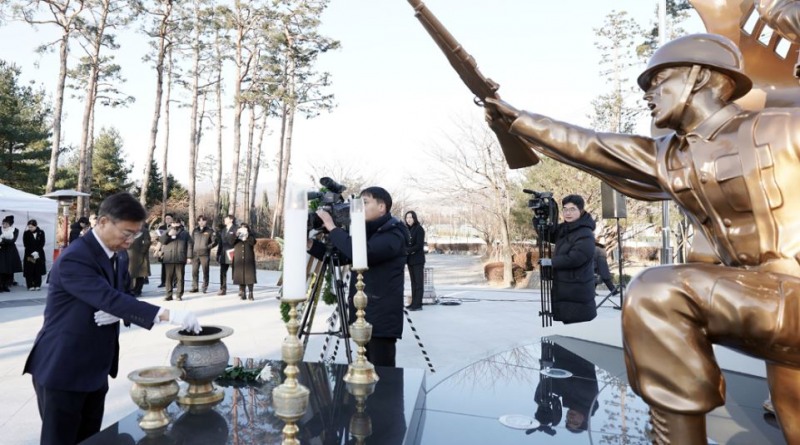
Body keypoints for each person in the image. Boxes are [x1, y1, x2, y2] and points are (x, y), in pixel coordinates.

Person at [485, 33, 800, 443]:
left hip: (790, 294)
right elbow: (591, 145)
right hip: (761, 300)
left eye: (658, 79)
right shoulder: (671, 154)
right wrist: (517, 120)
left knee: (658, 292)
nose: (648, 92)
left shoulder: (785, 129)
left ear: (700, 77)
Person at [23, 192, 201, 445]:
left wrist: (117, 312)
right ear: (103, 222)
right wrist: (168, 314)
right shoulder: (76, 256)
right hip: (63, 366)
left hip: (96, 368)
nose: (130, 241)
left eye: (136, 234)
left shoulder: (117, 254)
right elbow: (110, 298)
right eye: (127, 233)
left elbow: (123, 294)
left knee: (92, 439)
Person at [307, 187, 408, 367]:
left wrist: (332, 227)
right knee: (363, 369)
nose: (359, 208)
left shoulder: (394, 232)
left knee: (381, 371)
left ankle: (384, 396)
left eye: (365, 203)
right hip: (363, 313)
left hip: (381, 317)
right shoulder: (367, 231)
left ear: (381, 207)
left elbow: (364, 253)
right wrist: (310, 245)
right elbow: (343, 257)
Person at [537, 195, 597, 324]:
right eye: (565, 209)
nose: (568, 213)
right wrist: (538, 219)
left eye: (572, 209)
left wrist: (551, 262)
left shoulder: (585, 233)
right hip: (566, 288)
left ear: (580, 211)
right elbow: (548, 235)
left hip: (577, 290)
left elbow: (576, 258)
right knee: (567, 329)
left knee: (577, 332)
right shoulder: (565, 228)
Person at [159, 219, 192, 301]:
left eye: (177, 223)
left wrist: (189, 257)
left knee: (180, 277)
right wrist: (168, 234)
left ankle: (179, 295)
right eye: (173, 223)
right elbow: (162, 241)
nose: (175, 225)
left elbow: (190, 245)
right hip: (169, 257)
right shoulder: (167, 231)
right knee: (168, 278)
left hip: (180, 257)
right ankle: (168, 295)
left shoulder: (185, 233)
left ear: (180, 223)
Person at [404, 210, 426, 311]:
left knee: (418, 282)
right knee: (413, 282)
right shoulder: (408, 229)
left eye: (410, 217)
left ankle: (418, 304)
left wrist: (407, 250)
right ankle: (413, 303)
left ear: (414, 218)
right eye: (407, 217)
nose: (408, 219)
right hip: (410, 260)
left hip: (418, 260)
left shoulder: (419, 229)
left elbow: (419, 245)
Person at [190, 215, 217, 293]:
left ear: (206, 221)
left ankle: (204, 286)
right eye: (199, 221)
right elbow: (191, 242)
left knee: (205, 271)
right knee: (194, 271)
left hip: (204, 254)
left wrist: (207, 247)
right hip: (195, 254)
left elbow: (215, 241)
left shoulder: (210, 231)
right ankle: (195, 287)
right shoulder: (195, 230)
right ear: (198, 222)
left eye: (203, 220)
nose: (201, 222)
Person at [231, 223, 257, 301]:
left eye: (245, 228)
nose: (243, 229)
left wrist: (247, 236)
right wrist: (236, 235)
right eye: (241, 228)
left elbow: (253, 242)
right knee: (240, 276)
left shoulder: (250, 236)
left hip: (248, 259)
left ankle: (251, 293)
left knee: (250, 277)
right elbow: (231, 242)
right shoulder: (236, 236)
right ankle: (243, 293)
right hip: (239, 259)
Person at [126, 224, 150, 297]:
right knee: (130, 273)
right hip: (128, 254)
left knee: (140, 274)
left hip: (139, 255)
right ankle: (131, 289)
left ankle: (138, 290)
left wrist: (142, 251)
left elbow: (147, 242)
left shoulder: (144, 230)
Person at [215, 215, 237, 296]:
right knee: (223, 272)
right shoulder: (223, 230)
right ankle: (223, 288)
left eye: (226, 219)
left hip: (233, 252)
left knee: (237, 272)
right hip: (224, 253)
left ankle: (242, 289)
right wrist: (218, 254)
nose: (224, 220)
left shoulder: (236, 229)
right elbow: (220, 243)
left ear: (231, 220)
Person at [0, 215, 23, 292]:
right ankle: (0, 285)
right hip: (1, 251)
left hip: (10, 251)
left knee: (9, 269)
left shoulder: (15, 230)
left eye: (6, 224)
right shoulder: (0, 229)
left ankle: (6, 285)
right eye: (3, 223)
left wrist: (3, 240)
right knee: (1, 268)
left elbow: (12, 240)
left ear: (10, 224)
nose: (4, 225)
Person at [23, 219, 47, 291]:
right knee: (30, 269)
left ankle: (37, 284)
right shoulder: (26, 233)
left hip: (39, 254)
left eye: (32, 227)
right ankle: (30, 285)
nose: (30, 228)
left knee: (38, 269)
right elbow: (26, 244)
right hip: (30, 254)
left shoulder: (41, 232)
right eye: (29, 227)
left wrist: (37, 251)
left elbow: (42, 243)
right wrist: (32, 252)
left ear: (35, 226)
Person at [155, 213, 174, 288]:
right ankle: (163, 282)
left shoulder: (174, 227)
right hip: (163, 249)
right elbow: (158, 238)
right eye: (166, 218)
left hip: (172, 248)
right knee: (163, 266)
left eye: (169, 218)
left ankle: (173, 282)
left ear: (172, 219)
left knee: (173, 266)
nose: (167, 220)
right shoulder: (161, 227)